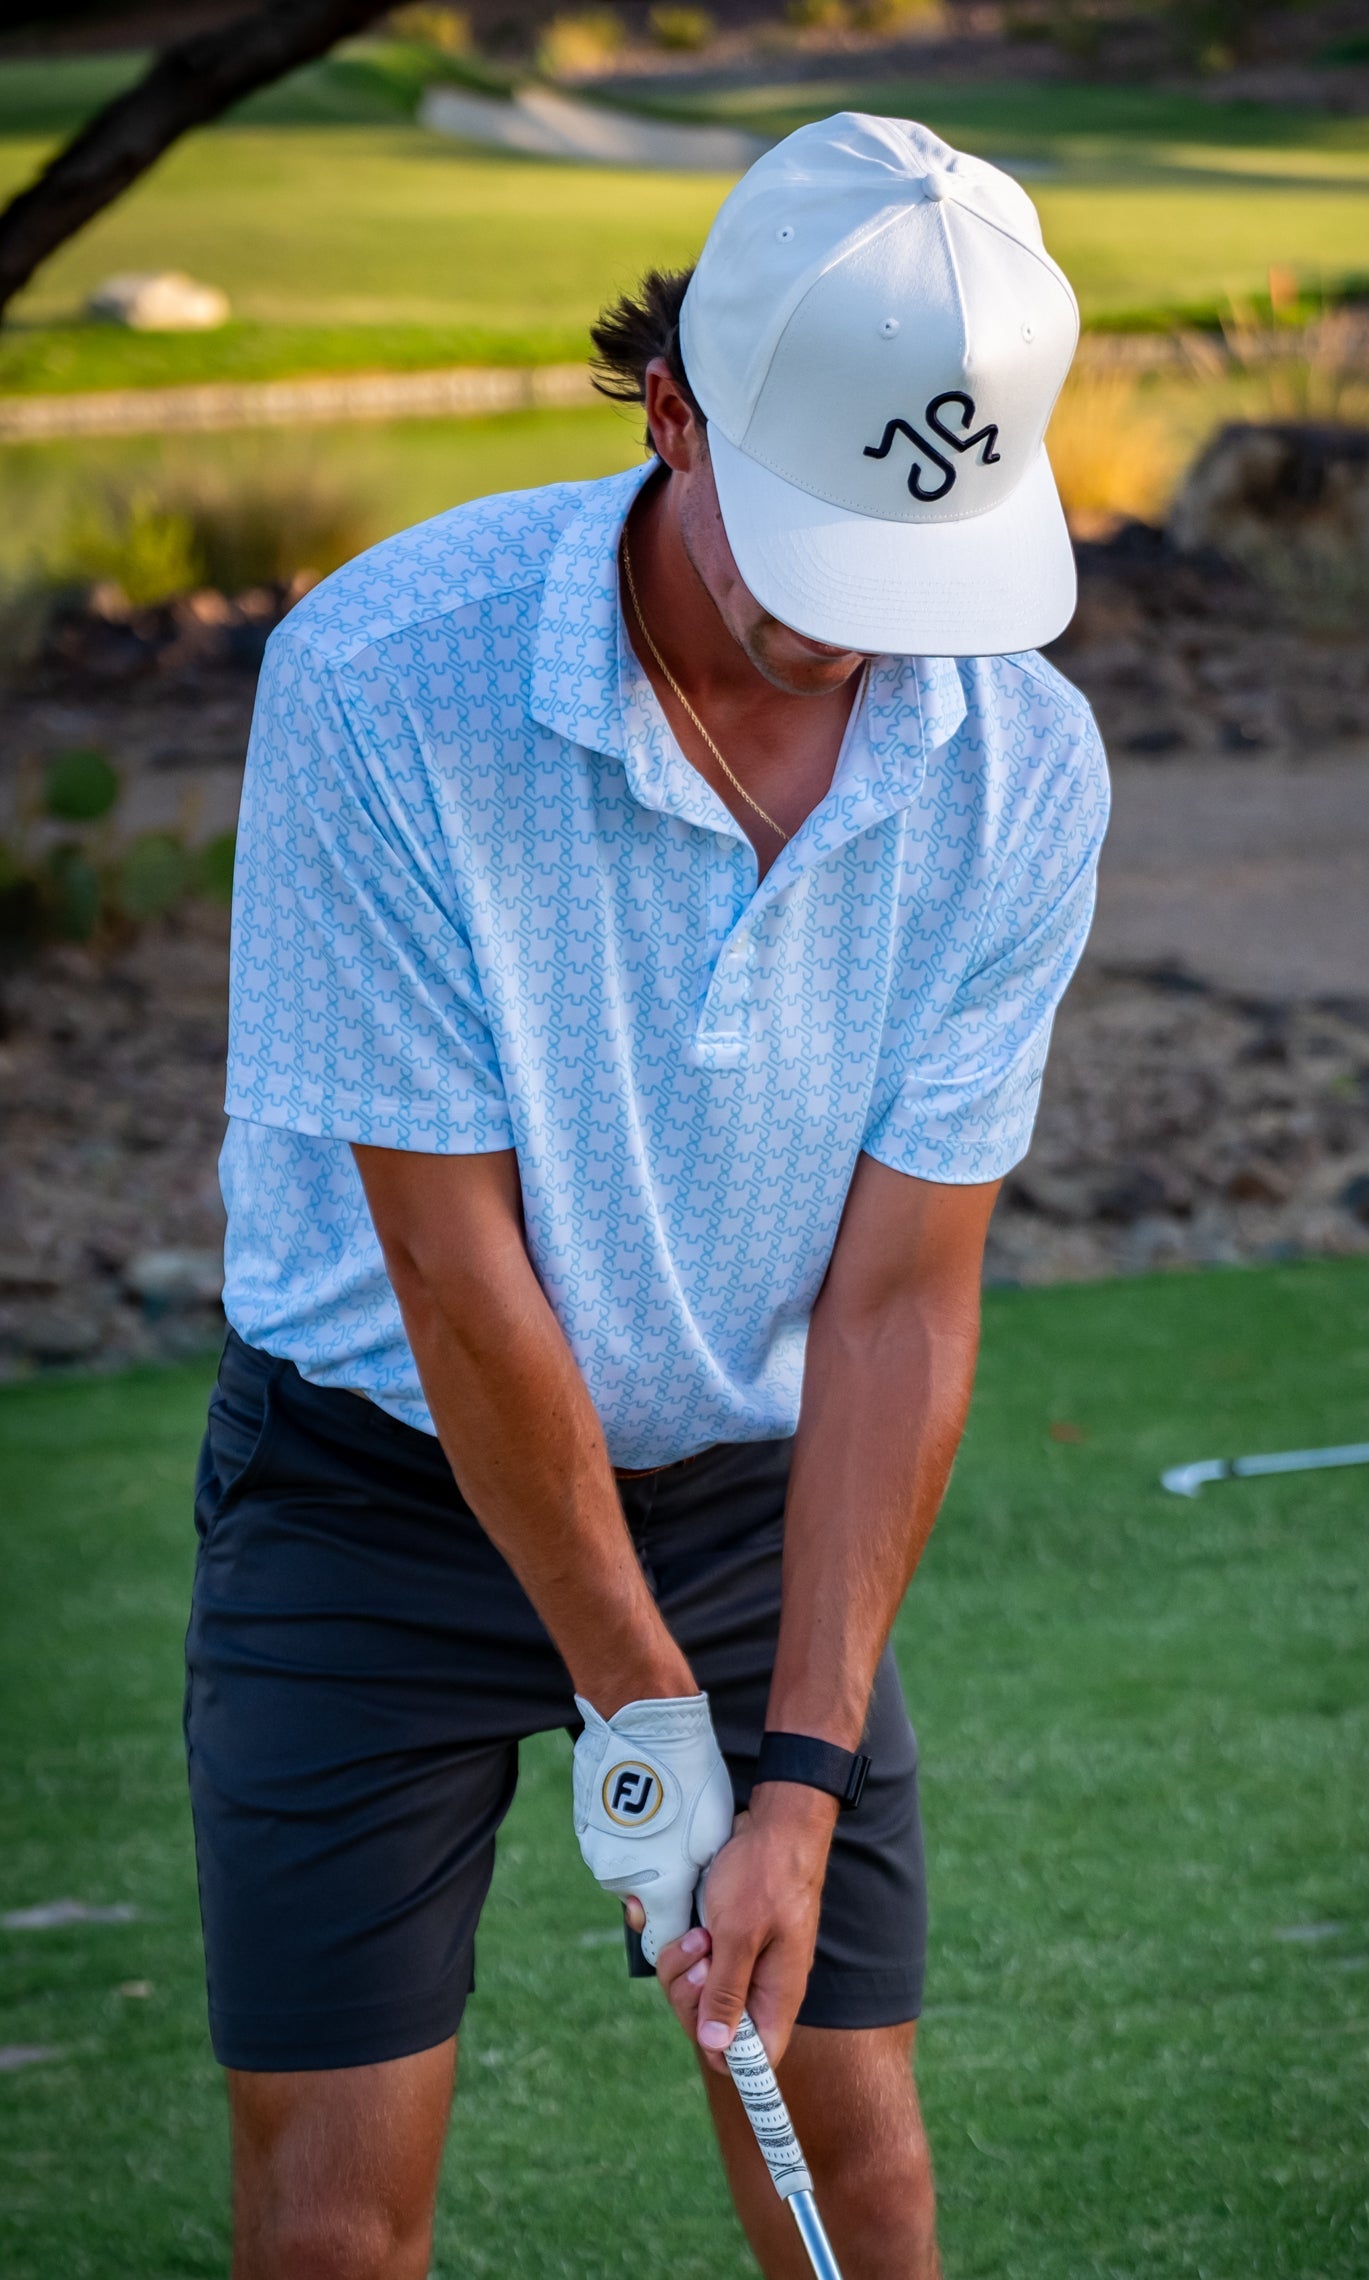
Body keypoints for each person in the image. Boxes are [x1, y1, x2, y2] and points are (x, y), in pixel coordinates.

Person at [188, 110, 1108, 2280]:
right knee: (332, 2225)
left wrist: (792, 1774)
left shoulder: (1021, 764)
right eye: (819, 557)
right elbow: (453, 1267)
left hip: (744, 1498)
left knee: (854, 2154)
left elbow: (898, 1302)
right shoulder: (381, 680)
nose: (864, 638)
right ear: (676, 410)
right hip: (373, 1488)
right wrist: (651, 1725)